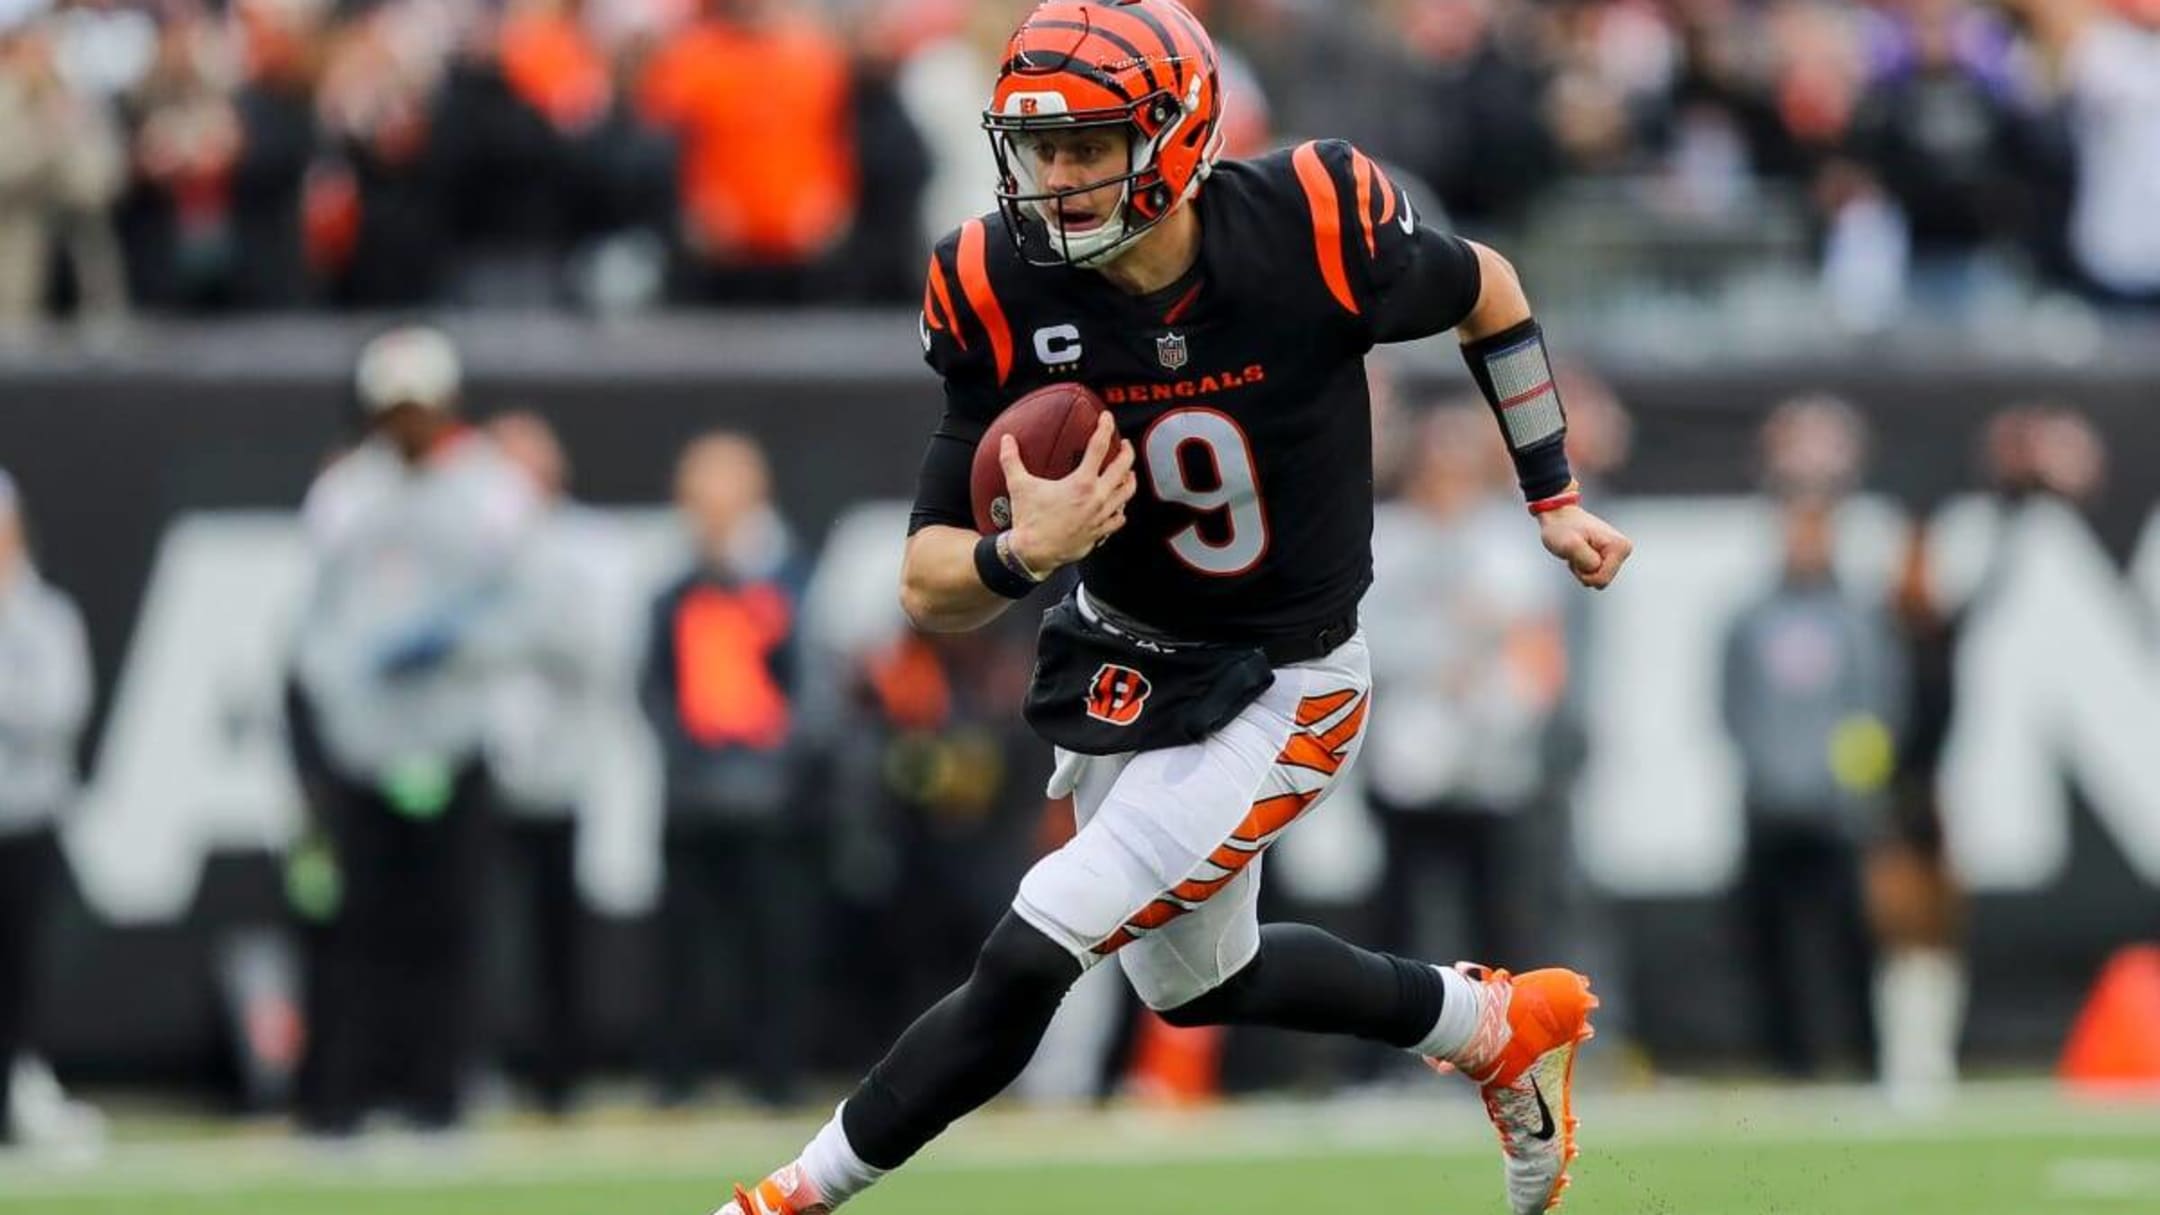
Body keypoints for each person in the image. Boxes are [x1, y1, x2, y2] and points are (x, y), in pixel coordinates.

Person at [716, 5, 1634, 1215]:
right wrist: (1017, 552)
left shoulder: (1310, 227)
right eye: (1043, 150)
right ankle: (1490, 1024)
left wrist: (1550, 491)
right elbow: (924, 581)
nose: (1060, 178)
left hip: (1287, 681)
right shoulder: (1000, 283)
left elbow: (1492, 292)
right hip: (1127, 671)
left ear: (1179, 130)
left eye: (1092, 145)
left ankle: (785, 1201)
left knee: (1031, 947)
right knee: (1198, 986)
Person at [291, 325, 541, 1133]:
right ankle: (350, 1095)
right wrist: (347, 694)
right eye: (395, 409)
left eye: (421, 407)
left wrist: (460, 647)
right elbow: (312, 624)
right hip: (365, 751)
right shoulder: (343, 496)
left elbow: (525, 609)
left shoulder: (492, 491)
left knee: (450, 923)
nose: (409, 424)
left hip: (455, 742)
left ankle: (441, 1093)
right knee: (359, 927)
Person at [1719, 397, 1898, 1080]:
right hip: (1769, 803)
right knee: (1769, 937)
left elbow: (1877, 706)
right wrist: (1766, 773)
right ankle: (1788, 1057)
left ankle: (1867, 1055)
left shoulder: (1855, 617)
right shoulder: (1749, 617)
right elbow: (1731, 706)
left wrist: (1852, 782)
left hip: (1836, 807)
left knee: (1852, 938)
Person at [639, 431, 815, 1109]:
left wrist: (775, 766)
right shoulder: (673, 592)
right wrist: (685, 760)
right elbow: (653, 687)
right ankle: (675, 1076)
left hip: (769, 799)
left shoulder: (787, 585)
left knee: (772, 940)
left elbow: (810, 693)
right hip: (692, 794)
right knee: (682, 947)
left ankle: (774, 1072)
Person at [480, 411, 625, 1116]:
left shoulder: (583, 545)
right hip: (473, 765)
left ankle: (557, 1075)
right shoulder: (468, 540)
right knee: (474, 928)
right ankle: (479, 1065)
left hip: (562, 766)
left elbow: (598, 648)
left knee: (557, 929)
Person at [0, 468, 96, 1148]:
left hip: (25, 819)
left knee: (18, 969)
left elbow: (57, 710)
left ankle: (19, 1084)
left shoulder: (47, 615)